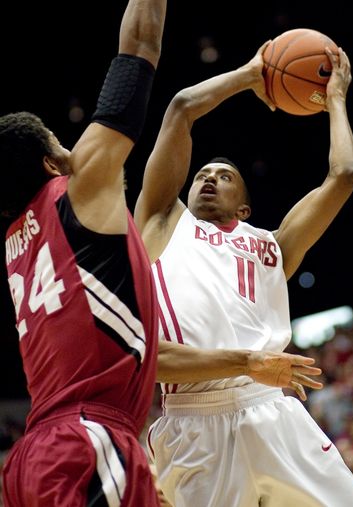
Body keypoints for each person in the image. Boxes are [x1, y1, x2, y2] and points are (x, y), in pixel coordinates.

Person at [134, 38, 353, 506]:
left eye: (224, 175)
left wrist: (337, 101)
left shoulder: (273, 246)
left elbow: (343, 174)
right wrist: (252, 73)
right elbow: (181, 108)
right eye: (203, 172)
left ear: (243, 207)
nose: (208, 177)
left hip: (270, 407)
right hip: (191, 420)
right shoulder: (163, 221)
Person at [0, 0, 167, 505]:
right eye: (60, 139)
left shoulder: (14, 241)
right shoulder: (79, 190)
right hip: (86, 439)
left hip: (35, 455)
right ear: (53, 160)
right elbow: (139, 44)